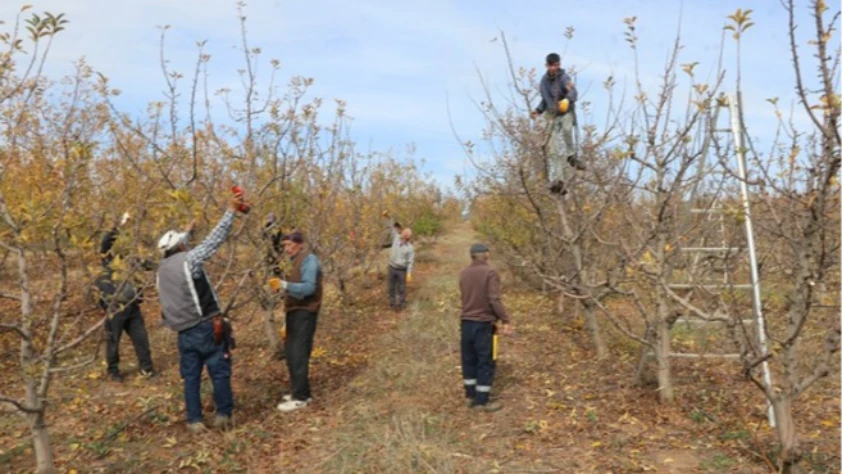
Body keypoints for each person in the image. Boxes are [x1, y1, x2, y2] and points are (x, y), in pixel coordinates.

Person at [156, 192, 245, 433]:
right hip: (206, 327)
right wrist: (230, 212)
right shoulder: (190, 260)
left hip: (183, 332)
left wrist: (188, 230)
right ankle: (224, 415)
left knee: (191, 377)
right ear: (181, 247)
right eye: (184, 241)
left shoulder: (161, 269)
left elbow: (182, 245)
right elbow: (213, 242)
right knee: (219, 371)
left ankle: (194, 420)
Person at [95, 211, 155, 382]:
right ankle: (113, 372)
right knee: (113, 340)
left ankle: (147, 369)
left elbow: (150, 264)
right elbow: (106, 242)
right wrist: (122, 224)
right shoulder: (108, 261)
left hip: (132, 307)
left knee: (141, 339)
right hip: (114, 308)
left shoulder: (131, 260)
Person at [273, 231, 323, 413]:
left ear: (300, 244)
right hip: (293, 312)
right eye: (285, 246)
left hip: (305, 312)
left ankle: (300, 398)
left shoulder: (309, 260)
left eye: (290, 245)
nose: (287, 249)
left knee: (299, 353)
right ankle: (300, 390)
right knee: (290, 352)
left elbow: (309, 288)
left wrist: (285, 285)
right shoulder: (293, 261)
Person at [459, 243, 513, 412]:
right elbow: (494, 299)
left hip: (466, 323)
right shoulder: (490, 273)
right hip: (483, 325)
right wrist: (505, 320)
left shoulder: (464, 273)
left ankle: (470, 396)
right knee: (485, 361)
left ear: (472, 256)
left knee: (469, 360)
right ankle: (482, 401)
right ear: (486, 255)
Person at [530, 52, 583, 195]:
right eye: (552, 65)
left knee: (567, 130)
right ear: (547, 66)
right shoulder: (543, 82)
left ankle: (571, 156)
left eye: (557, 65)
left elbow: (573, 92)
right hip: (552, 115)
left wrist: (567, 99)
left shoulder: (564, 78)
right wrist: (537, 111)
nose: (555, 68)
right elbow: (544, 101)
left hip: (566, 111)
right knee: (553, 148)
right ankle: (558, 180)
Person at [382, 211, 415, 310]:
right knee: (391, 287)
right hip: (392, 268)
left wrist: (409, 273)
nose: (403, 236)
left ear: (408, 237)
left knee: (401, 288)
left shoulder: (410, 248)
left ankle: (402, 304)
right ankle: (392, 304)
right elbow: (391, 227)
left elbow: (410, 262)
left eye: (406, 235)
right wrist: (387, 217)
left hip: (401, 270)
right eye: (403, 233)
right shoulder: (396, 238)